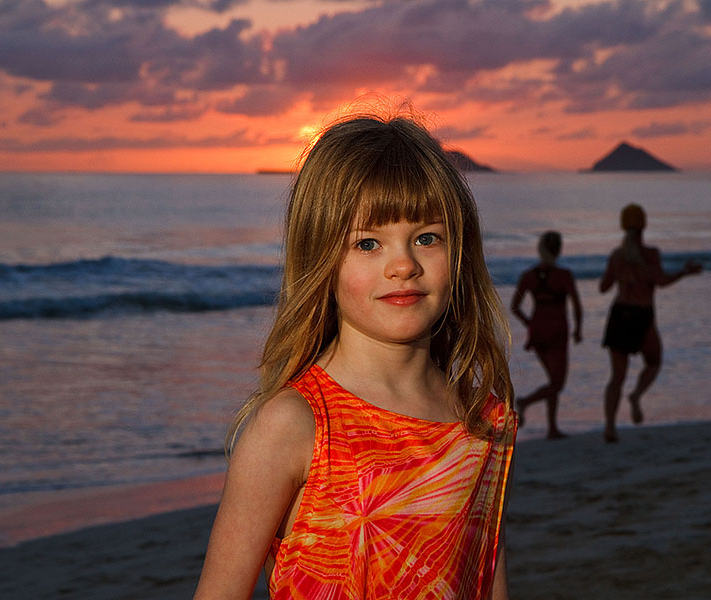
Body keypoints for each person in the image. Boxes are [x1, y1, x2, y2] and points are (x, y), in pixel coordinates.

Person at [193, 113, 517, 599]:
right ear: (321, 259)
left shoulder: (477, 419)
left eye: (427, 237)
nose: (404, 264)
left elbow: (489, 585)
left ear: (459, 252)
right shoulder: (295, 425)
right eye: (367, 243)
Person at [599, 203, 702, 443]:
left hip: (620, 314)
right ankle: (636, 395)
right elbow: (661, 281)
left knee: (616, 377)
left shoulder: (617, 255)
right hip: (643, 315)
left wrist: (620, 276)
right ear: (644, 225)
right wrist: (685, 272)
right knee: (654, 361)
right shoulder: (651, 254)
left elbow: (603, 288)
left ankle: (610, 428)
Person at [510, 231, 582, 439]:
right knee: (557, 383)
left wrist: (529, 323)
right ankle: (525, 402)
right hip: (558, 331)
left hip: (539, 331)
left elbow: (515, 306)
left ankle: (552, 428)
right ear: (559, 250)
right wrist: (578, 329)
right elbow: (576, 305)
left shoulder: (529, 275)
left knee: (553, 380)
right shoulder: (564, 275)